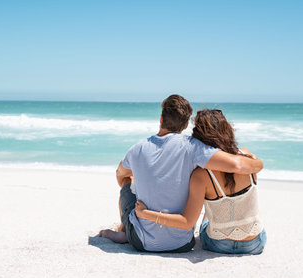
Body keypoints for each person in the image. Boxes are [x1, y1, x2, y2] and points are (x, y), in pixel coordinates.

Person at [99, 95, 263, 253]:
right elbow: (236, 164)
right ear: (185, 126)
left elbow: (120, 174)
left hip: (141, 243)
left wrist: (138, 183)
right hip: (183, 243)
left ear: (161, 119)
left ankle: (124, 229)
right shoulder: (194, 147)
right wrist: (258, 163)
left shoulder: (137, 149)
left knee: (128, 182)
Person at [134, 109, 266, 255]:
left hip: (219, 244)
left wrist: (146, 214)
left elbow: (187, 222)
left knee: (208, 207)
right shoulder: (248, 158)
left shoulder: (201, 175)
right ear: (228, 130)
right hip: (254, 243)